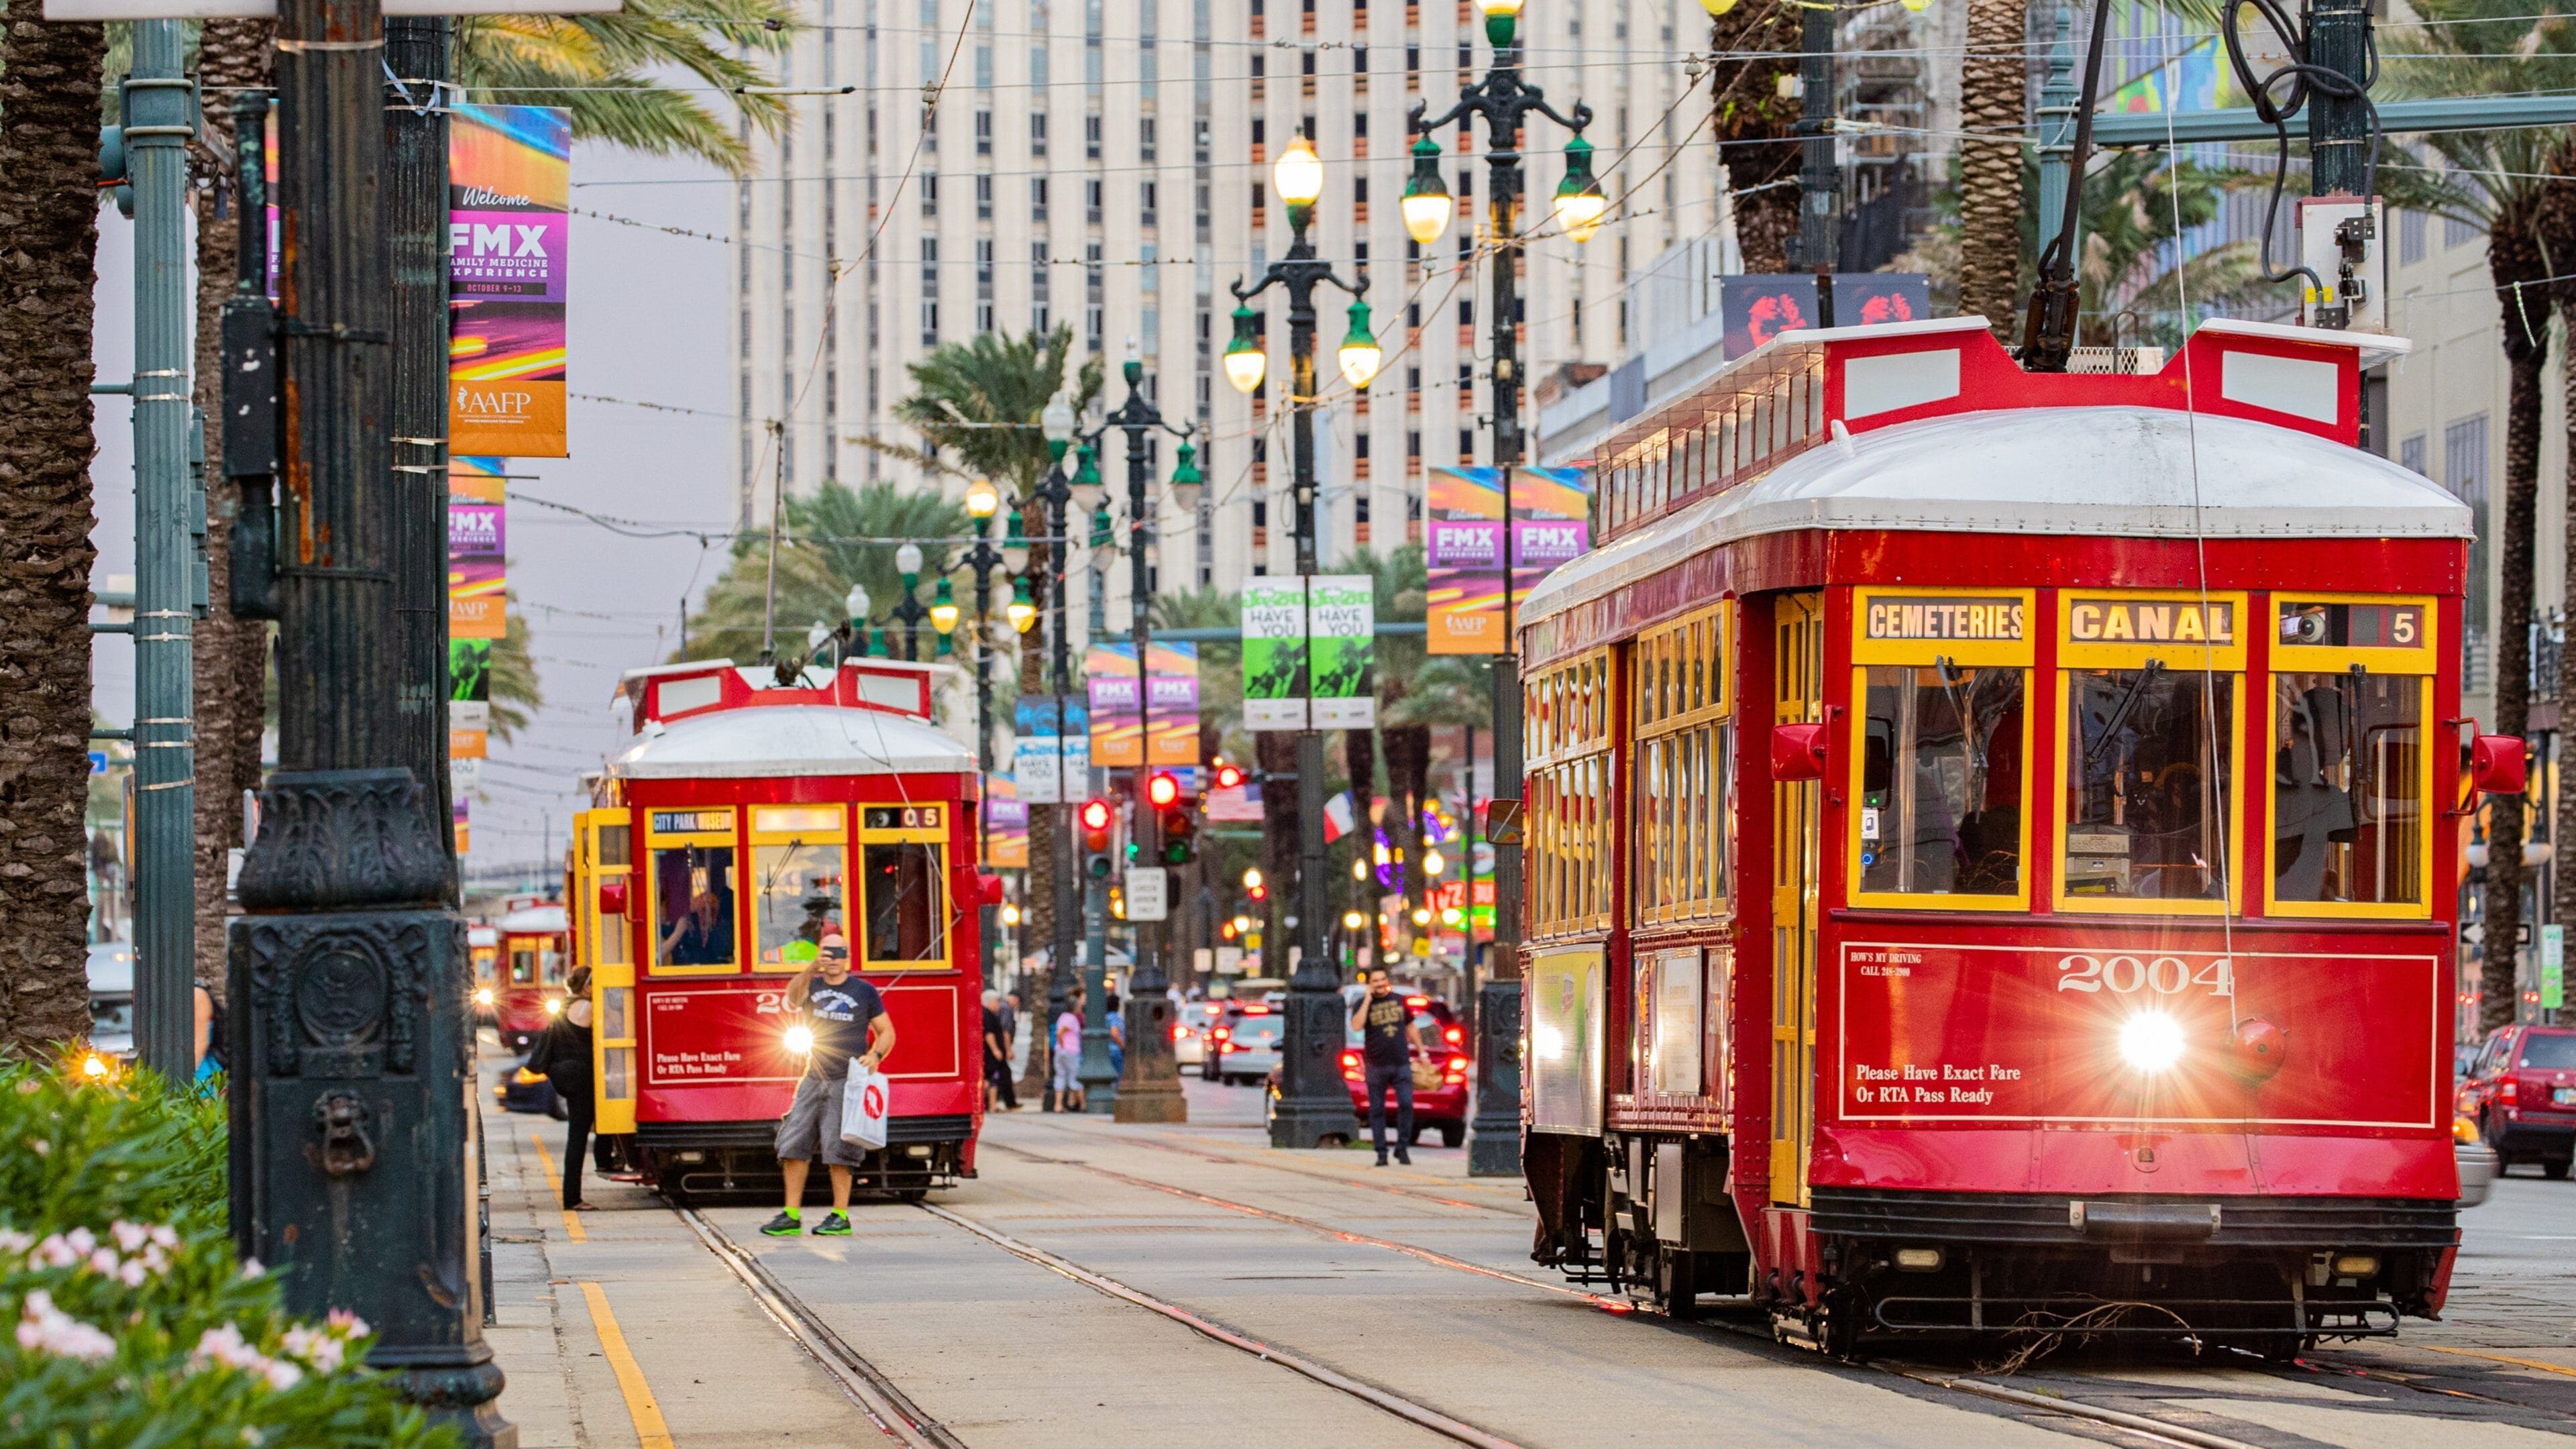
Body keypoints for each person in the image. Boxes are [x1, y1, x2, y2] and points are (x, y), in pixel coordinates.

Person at [764, 934, 894, 1237]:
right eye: (827, 952)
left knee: (840, 1149)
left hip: (846, 1081)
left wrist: (875, 1054)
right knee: (792, 1144)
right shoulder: (813, 984)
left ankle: (840, 1216)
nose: (832, 958)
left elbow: (887, 1031)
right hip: (812, 1077)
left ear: (847, 956)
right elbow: (792, 998)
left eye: (838, 953)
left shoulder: (864, 991)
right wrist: (811, 969)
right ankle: (791, 1215)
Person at [528, 966, 599, 1210]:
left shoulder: (567, 1006)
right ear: (588, 986)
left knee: (578, 1133)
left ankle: (575, 1193)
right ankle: (573, 1198)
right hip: (581, 1076)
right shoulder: (588, 1008)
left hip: (566, 1075)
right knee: (578, 1136)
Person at [1350, 967, 1422, 1167]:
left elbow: (1411, 1027)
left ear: (1387, 981)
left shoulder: (1399, 1000)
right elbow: (1356, 1026)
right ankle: (1381, 1153)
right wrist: (1366, 1000)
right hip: (1376, 1065)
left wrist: (1422, 1053)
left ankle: (1402, 1148)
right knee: (1377, 1110)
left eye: (1382, 980)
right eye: (1375, 981)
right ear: (1370, 984)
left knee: (1407, 1105)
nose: (1380, 984)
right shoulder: (1362, 1004)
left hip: (1401, 1063)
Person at [980, 989, 1018, 1110]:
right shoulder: (987, 1015)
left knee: (994, 1078)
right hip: (991, 1054)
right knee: (989, 1078)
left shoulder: (990, 1014)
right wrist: (996, 1050)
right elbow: (989, 1034)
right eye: (996, 1001)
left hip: (993, 1053)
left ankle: (993, 1104)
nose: (998, 1005)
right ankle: (984, 1102)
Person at [1051, 987, 1085, 1112]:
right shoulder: (1071, 1018)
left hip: (1061, 1051)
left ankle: (1058, 1105)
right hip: (1070, 1051)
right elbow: (1060, 1032)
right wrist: (1063, 1045)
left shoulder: (1062, 1017)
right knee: (1074, 1077)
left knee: (1060, 1077)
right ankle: (1082, 1104)